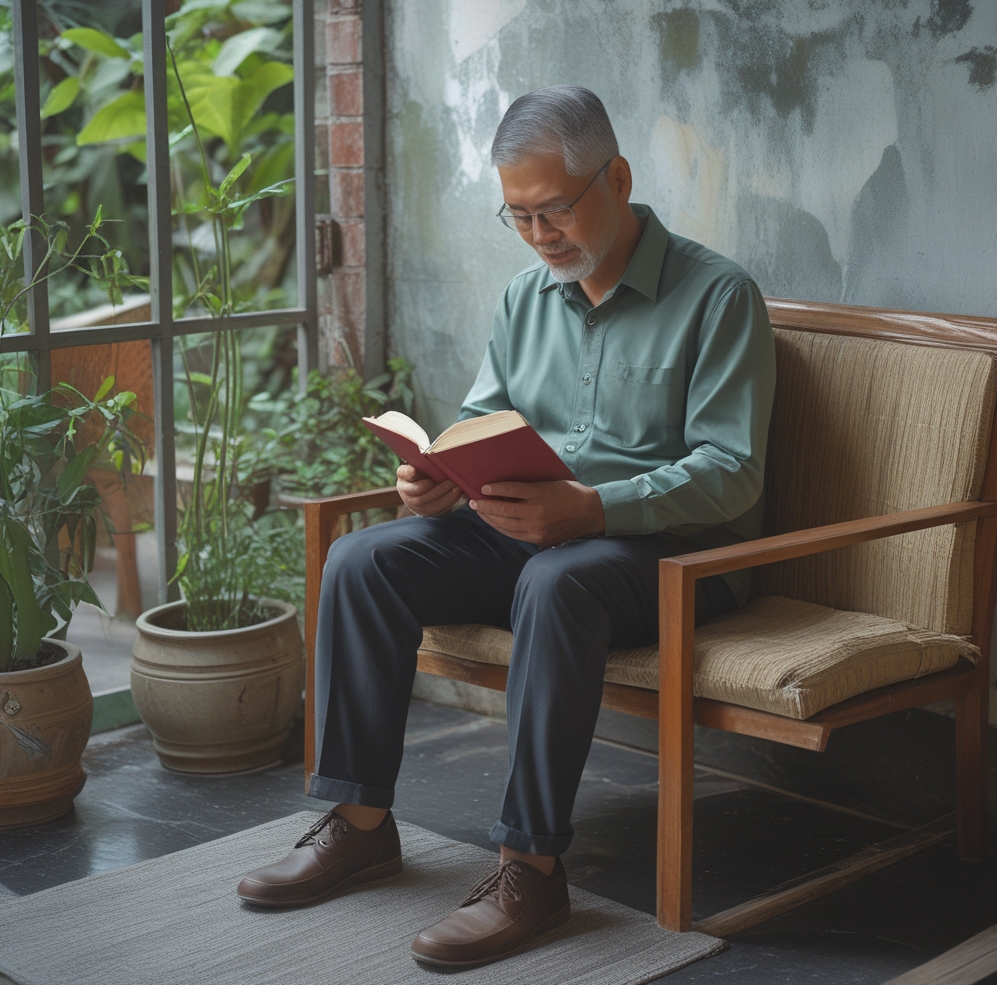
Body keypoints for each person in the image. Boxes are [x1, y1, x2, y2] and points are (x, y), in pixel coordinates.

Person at [237, 85, 776, 968]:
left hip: (671, 556)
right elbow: (480, 422)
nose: (538, 235)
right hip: (535, 534)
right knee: (363, 561)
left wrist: (595, 507)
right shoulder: (526, 298)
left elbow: (732, 471)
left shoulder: (718, 296)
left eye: (554, 209)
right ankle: (360, 825)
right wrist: (437, 477)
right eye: (518, 216)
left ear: (618, 178)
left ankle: (530, 869)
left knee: (556, 582)